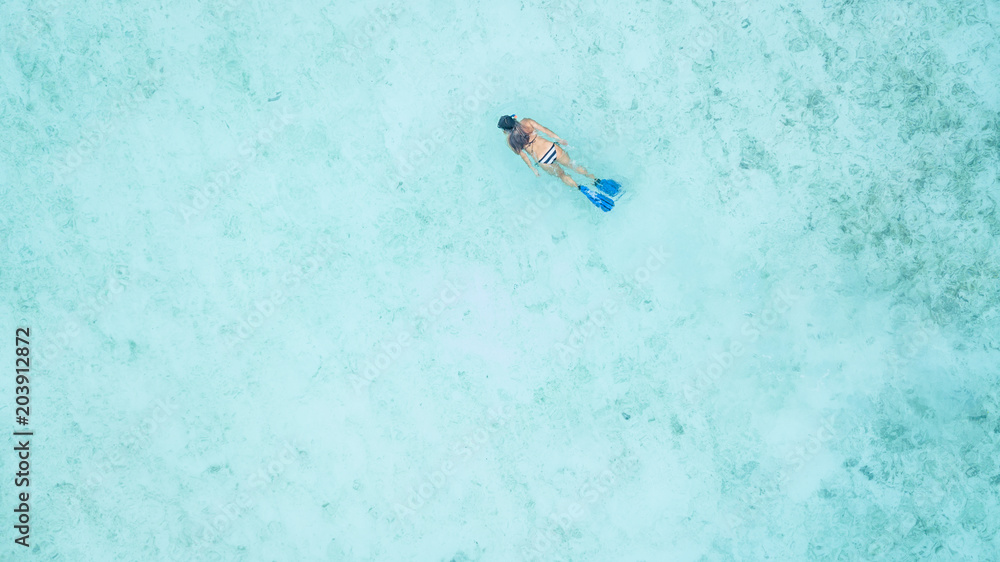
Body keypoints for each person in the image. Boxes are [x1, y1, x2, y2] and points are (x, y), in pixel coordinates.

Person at [497, 114, 596, 188]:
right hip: (552, 148)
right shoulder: (527, 121)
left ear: (505, 130)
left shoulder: (510, 141)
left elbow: (524, 156)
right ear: (514, 119)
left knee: (562, 175)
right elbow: (545, 130)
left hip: (543, 160)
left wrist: (533, 169)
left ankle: (580, 188)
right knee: (573, 166)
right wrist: (559, 139)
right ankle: (596, 180)